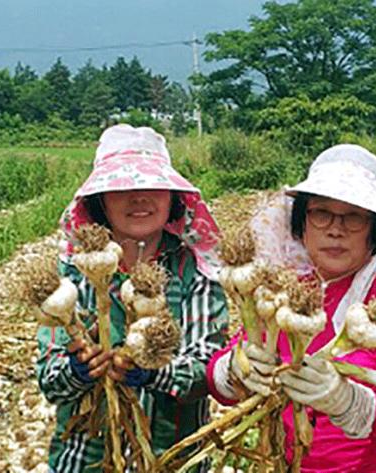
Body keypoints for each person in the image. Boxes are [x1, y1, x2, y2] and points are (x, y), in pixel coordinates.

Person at [206, 144, 376, 472]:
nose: (335, 229)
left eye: (353, 217)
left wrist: (352, 402)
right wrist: (234, 368)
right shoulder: (281, 293)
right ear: (301, 224)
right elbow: (221, 384)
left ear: (374, 232)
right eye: (321, 213)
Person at [36, 124, 229, 473]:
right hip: (83, 462)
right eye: (121, 188)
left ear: (172, 197)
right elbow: (51, 380)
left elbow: (209, 372)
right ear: (100, 202)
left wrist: (154, 371)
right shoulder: (75, 273)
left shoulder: (196, 270)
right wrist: (79, 370)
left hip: (172, 461)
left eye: (152, 186)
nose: (139, 197)